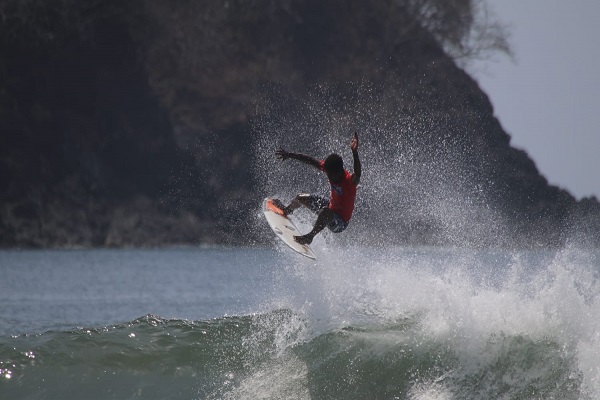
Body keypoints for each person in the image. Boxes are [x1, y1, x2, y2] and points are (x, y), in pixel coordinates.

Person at [274, 132, 362, 245]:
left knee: (326, 212)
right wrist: (290, 155)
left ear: (339, 172)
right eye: (328, 174)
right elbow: (309, 160)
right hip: (330, 208)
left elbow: (358, 174)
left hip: (340, 222)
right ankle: (286, 211)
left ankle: (309, 237)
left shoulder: (349, 181)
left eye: (331, 175)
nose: (329, 177)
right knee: (301, 197)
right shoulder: (329, 169)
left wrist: (355, 153)